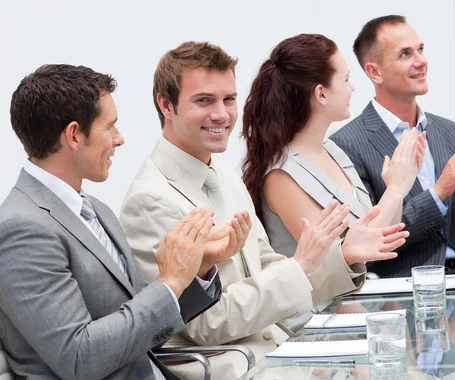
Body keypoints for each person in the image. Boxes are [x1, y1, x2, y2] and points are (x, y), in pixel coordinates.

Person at [119, 41, 408, 379]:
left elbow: (272, 269)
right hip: (238, 366)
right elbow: (208, 324)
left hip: (279, 352)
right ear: (166, 106)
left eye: (228, 99)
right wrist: (302, 266)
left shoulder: (226, 179)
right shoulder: (150, 200)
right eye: (204, 100)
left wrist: (340, 256)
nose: (221, 113)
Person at [0, 64, 224, 379]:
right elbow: (80, 357)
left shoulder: (96, 209)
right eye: (111, 126)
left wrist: (195, 270)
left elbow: (136, 318)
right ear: (74, 135)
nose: (120, 139)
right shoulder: (21, 229)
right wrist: (170, 281)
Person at [330, 15, 455, 278]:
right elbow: (369, 244)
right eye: (405, 54)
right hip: (402, 293)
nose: (421, 61)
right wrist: (439, 193)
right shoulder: (346, 145)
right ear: (375, 72)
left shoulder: (450, 133)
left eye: (420, 50)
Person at [242, 33, 425, 258]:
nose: (353, 88)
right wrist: (395, 190)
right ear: (321, 93)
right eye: (346, 79)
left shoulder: (332, 149)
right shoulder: (281, 176)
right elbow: (339, 261)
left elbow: (383, 237)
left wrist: (398, 186)